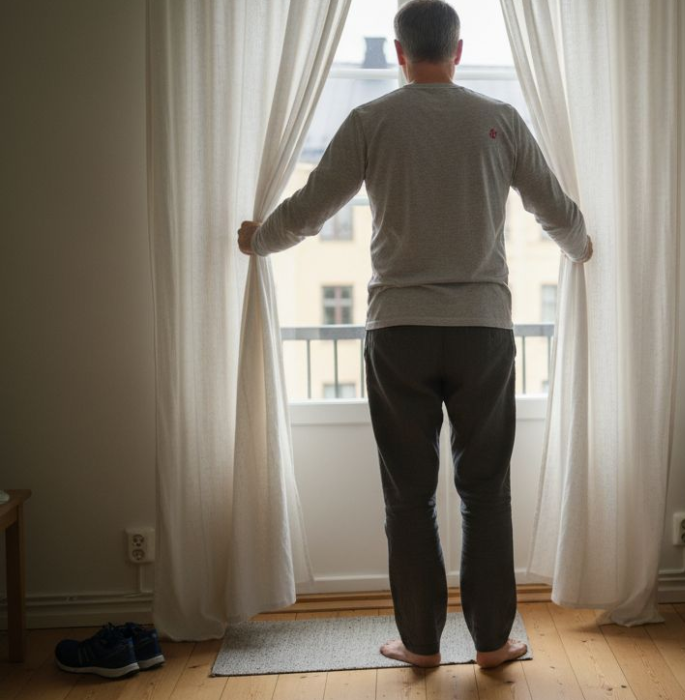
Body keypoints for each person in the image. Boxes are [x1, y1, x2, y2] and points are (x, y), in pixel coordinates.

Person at [237, 0, 589, 669]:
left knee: (408, 492)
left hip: (397, 332)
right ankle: (491, 642)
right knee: (485, 492)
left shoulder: (372, 119)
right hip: (483, 332)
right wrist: (584, 247)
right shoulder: (499, 119)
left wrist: (260, 241)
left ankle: (421, 645)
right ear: (458, 50)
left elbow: (311, 210)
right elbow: (555, 209)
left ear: (399, 53)